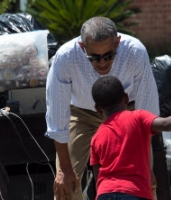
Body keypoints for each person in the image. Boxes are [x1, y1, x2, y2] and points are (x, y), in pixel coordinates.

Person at [45, 16, 160, 200]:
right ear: (83, 47)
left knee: (144, 182)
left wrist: (146, 166)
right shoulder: (65, 57)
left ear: (117, 43)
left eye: (109, 55)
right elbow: (57, 117)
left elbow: (148, 113)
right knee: (66, 184)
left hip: (126, 112)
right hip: (81, 114)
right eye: (94, 58)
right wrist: (64, 169)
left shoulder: (135, 51)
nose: (103, 63)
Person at [90, 75, 171, 200]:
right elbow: (166, 124)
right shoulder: (137, 117)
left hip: (104, 193)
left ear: (97, 108)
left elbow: (98, 177)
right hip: (134, 192)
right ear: (126, 98)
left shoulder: (96, 137)